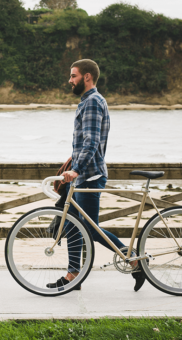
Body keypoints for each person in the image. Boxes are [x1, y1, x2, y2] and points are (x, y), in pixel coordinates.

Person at [46, 59, 145, 292]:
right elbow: (85, 144)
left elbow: (91, 143)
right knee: (71, 226)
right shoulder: (89, 101)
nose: (69, 80)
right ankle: (73, 276)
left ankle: (133, 260)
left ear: (87, 76)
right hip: (81, 176)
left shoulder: (92, 102)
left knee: (90, 229)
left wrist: (76, 169)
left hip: (88, 176)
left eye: (73, 76)